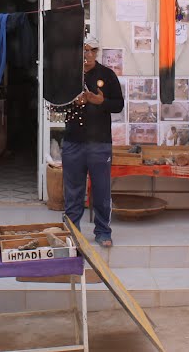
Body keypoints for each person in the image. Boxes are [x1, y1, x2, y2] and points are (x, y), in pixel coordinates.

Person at [62, 35, 124, 248]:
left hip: (100, 143)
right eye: (83, 51)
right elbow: (54, 105)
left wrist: (101, 101)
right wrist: (72, 102)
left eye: (91, 51)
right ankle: (73, 233)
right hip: (73, 142)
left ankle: (103, 232)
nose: (87, 55)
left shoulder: (107, 75)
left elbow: (118, 105)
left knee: (101, 190)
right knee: (73, 191)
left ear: (96, 53)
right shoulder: (68, 75)